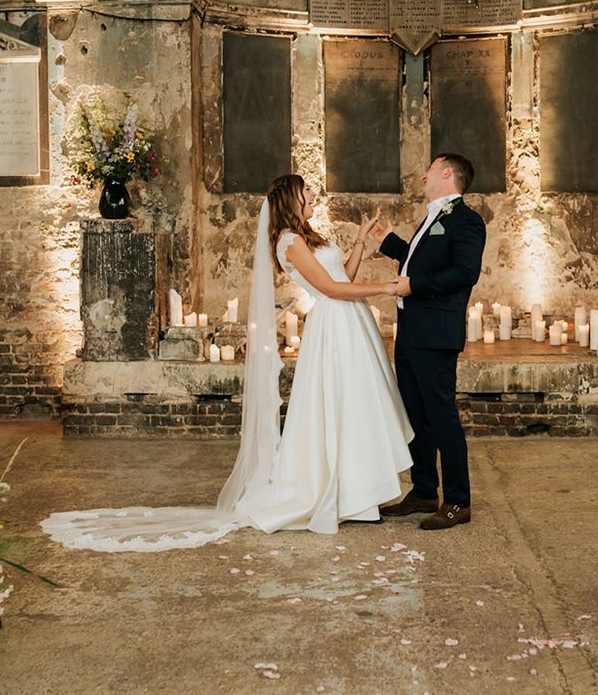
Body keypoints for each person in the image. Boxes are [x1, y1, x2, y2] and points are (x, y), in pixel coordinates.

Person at [41, 174, 415, 551]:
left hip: (350, 323)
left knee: (355, 409)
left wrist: (362, 242)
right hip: (334, 328)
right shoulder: (289, 241)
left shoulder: (309, 234)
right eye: (306, 192)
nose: (312, 195)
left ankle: (360, 494)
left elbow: (342, 276)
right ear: (290, 200)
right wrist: (387, 287)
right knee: (337, 409)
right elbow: (331, 290)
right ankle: (339, 494)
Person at [372, 153, 486, 531]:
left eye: (431, 170)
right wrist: (387, 242)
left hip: (436, 334)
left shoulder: (467, 221)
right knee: (415, 413)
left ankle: (458, 500)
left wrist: (414, 286)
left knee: (441, 417)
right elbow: (420, 263)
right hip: (412, 330)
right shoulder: (432, 217)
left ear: (448, 173)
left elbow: (464, 273)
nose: (423, 176)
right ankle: (423, 491)